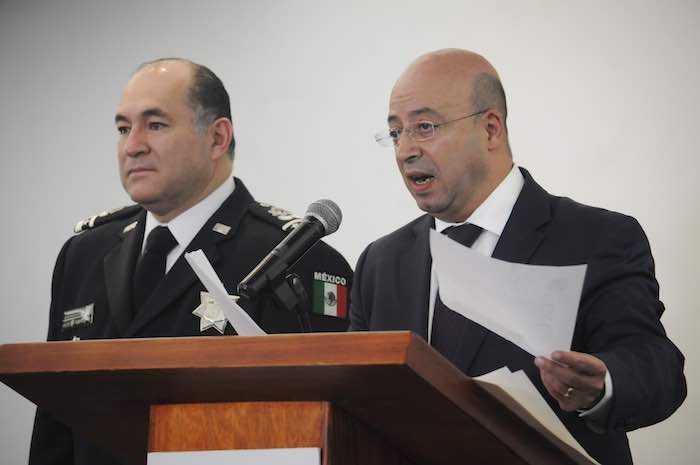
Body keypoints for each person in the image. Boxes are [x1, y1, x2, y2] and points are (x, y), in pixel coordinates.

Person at [349, 49, 685, 464]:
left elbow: (654, 366)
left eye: (425, 127)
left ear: (491, 129)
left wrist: (603, 383)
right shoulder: (380, 264)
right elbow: (359, 402)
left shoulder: (598, 237)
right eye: (396, 133)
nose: (404, 151)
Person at [29, 58, 352, 465]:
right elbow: (56, 429)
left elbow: (327, 429)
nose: (132, 145)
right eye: (123, 128)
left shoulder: (295, 257)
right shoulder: (84, 254)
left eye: (156, 125)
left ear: (217, 138)